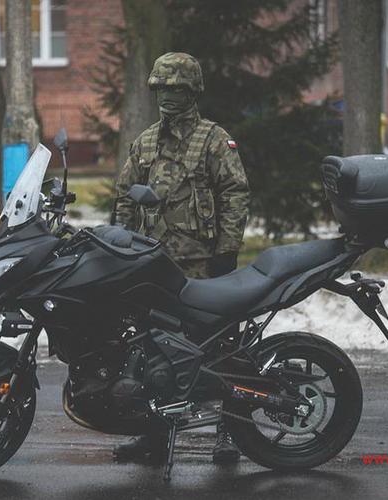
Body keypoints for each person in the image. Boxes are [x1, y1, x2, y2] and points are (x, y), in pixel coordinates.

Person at [113, 52, 250, 464]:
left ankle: (230, 433)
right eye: (161, 89)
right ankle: (153, 436)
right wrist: (120, 242)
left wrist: (227, 250)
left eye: (176, 89)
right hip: (154, 264)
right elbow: (125, 194)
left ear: (193, 92)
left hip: (204, 265)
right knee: (153, 347)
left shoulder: (213, 140)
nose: (167, 96)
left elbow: (235, 192)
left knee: (222, 347)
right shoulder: (146, 142)